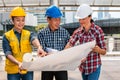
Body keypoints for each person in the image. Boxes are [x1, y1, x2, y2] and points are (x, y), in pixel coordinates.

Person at [2, 7, 46, 80]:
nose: (21, 23)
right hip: (13, 70)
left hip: (27, 68)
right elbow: (8, 53)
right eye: (18, 20)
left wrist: (39, 47)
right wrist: (18, 63)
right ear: (12, 21)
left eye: (23, 20)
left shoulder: (28, 33)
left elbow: (34, 39)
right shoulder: (7, 36)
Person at [65, 4, 106, 80]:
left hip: (94, 66)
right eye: (79, 19)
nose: (81, 21)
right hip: (83, 67)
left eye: (83, 19)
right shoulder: (78, 32)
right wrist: (62, 53)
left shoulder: (98, 31)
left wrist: (98, 50)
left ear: (90, 17)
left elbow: (104, 51)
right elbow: (70, 44)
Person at [37, 5, 70, 80]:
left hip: (61, 66)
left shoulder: (64, 32)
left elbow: (69, 45)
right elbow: (42, 49)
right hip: (47, 66)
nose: (58, 22)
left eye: (59, 19)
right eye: (55, 20)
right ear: (48, 20)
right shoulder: (42, 33)